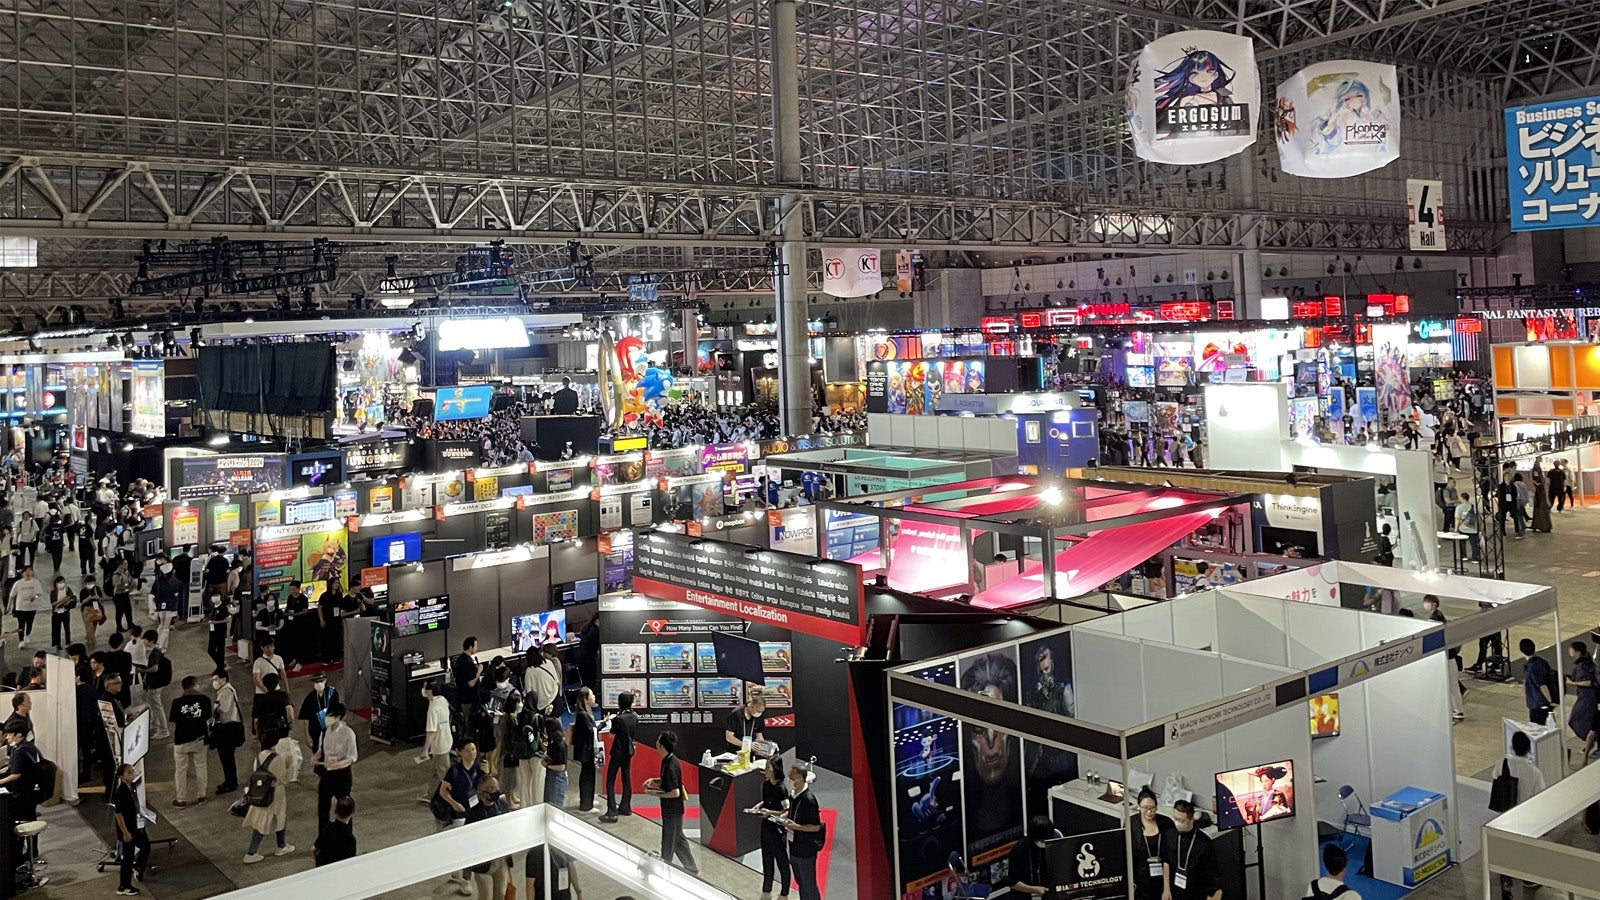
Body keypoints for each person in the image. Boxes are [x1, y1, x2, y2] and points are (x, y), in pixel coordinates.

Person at [1497, 731, 1546, 898]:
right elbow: (1540, 795)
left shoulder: (1502, 764)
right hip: (1526, 817)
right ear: (1528, 749)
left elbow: (1495, 778)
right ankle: (1528, 877)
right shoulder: (1534, 772)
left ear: (1512, 747)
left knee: (1505, 848)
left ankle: (1506, 884)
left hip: (1505, 815)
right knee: (1526, 847)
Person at [644, 730, 698, 875]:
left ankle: (664, 868)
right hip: (672, 809)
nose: (656, 742)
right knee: (678, 839)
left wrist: (656, 793)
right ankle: (692, 869)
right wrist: (654, 781)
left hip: (673, 810)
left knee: (668, 842)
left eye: (658, 740)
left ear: (661, 745)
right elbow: (667, 781)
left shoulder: (671, 765)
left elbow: (675, 792)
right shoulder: (668, 760)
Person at [435, 738, 484, 895]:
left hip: (475, 813)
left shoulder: (479, 768)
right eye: (468, 750)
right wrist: (454, 803)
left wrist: (488, 773)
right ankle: (466, 880)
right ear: (460, 752)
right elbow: (442, 791)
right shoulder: (454, 771)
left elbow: (486, 789)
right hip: (460, 814)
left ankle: (459, 872)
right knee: (467, 847)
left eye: (474, 749)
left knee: (468, 845)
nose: (472, 753)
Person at [241, 727, 294, 863]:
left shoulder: (259, 757)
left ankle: (253, 851)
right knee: (280, 818)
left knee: (260, 822)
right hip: (275, 794)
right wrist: (288, 766)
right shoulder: (277, 758)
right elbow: (284, 780)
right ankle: (279, 846)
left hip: (260, 793)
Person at [1162, 799, 1221, 900]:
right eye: (1175, 819)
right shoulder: (1170, 835)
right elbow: (1166, 861)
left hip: (1196, 892)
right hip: (1174, 890)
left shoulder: (1204, 843)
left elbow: (1213, 874)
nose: (1177, 823)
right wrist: (1166, 889)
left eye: (1181, 821)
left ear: (1191, 820)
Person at [784, 757, 825, 900]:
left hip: (806, 850)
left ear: (801, 778)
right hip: (794, 846)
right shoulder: (793, 795)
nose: (789, 780)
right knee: (800, 882)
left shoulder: (809, 800)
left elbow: (815, 827)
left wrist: (796, 827)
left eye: (792, 778)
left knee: (809, 885)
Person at [313, 701, 357, 837]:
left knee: (344, 808)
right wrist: (315, 757)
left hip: (342, 775)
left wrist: (336, 764)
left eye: (330, 716)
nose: (327, 718)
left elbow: (352, 757)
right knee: (323, 808)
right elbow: (322, 749)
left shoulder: (348, 733)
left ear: (338, 717)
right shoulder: (325, 731)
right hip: (327, 775)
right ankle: (323, 838)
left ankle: (346, 837)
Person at [169, 676, 213, 808]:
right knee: (201, 766)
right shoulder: (205, 700)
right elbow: (208, 717)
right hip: (199, 739)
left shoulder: (176, 702)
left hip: (181, 740)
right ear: (195, 685)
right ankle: (201, 796)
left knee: (180, 770)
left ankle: (180, 799)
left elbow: (174, 720)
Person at [466, 776, 512, 900]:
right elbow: (467, 841)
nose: (495, 791)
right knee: (485, 896)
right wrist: (467, 868)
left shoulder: (502, 805)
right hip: (482, 861)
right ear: (482, 792)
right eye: (491, 788)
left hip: (501, 858)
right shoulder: (473, 814)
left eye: (496, 788)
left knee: (500, 894)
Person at [753, 754, 791, 900]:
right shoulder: (766, 785)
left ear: (775, 769)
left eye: (768, 767)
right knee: (767, 859)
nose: (765, 770)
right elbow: (766, 801)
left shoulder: (782, 789)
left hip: (778, 829)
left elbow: (786, 810)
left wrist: (770, 813)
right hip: (766, 827)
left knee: (782, 862)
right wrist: (760, 805)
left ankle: (784, 893)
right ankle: (766, 890)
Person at [1423, 595, 1465, 722]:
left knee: (1450, 686)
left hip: (1446, 658)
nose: (1425, 605)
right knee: (1453, 686)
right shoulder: (1439, 615)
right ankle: (1457, 710)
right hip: (1450, 656)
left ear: (1434, 604)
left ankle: (1455, 711)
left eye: (1427, 602)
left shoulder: (1434, 620)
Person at [599, 690, 638, 822]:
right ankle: (625, 807)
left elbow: (611, 734)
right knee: (626, 778)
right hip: (628, 752)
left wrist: (607, 721)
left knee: (610, 780)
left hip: (617, 752)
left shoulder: (618, 719)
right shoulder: (635, 716)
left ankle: (612, 811)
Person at [112, 763, 150, 896]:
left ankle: (138, 867)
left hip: (136, 826)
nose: (132, 774)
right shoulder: (121, 792)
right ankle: (124, 886)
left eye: (132, 771)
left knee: (146, 846)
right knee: (127, 858)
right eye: (129, 772)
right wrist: (125, 833)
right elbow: (118, 815)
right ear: (121, 776)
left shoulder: (132, 786)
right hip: (128, 829)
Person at [1132, 787, 1175, 900]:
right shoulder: (1132, 824)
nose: (1149, 811)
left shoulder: (1166, 823)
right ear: (1139, 807)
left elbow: (1170, 856)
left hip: (1163, 877)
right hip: (1141, 880)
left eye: (1152, 807)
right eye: (1145, 808)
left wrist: (1167, 888)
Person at [1006, 815, 1060, 898]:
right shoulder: (1019, 850)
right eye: (1042, 840)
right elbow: (1013, 883)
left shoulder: (1054, 844)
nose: (1045, 843)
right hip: (1025, 894)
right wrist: (1035, 889)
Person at [417, 681, 454, 797]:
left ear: (430, 691)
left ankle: (450, 797)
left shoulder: (433, 708)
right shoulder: (442, 700)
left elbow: (431, 732)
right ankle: (431, 794)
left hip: (439, 745)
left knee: (444, 773)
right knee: (435, 771)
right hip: (447, 739)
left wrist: (425, 750)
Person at [212, 670, 244, 794]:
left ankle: (231, 783)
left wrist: (215, 707)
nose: (214, 682)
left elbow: (224, 708)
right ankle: (229, 780)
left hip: (228, 728)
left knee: (227, 757)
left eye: (216, 679)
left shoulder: (226, 691)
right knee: (226, 757)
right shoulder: (224, 691)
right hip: (228, 727)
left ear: (224, 679)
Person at [1569, 641, 1598, 765]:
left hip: (1586, 698)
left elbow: (1588, 681)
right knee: (1589, 723)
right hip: (1588, 697)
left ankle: (1590, 742)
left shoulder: (1582, 665)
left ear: (1576, 651)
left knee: (1578, 721)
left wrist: (1573, 683)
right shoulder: (1585, 663)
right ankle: (1589, 743)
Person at [571, 686, 599, 813]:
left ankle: (588, 800)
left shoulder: (586, 713)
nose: (594, 697)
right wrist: (603, 724)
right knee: (587, 776)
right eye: (591, 695)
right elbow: (590, 731)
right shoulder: (583, 715)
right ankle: (586, 804)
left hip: (588, 749)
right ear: (586, 699)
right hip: (586, 751)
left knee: (589, 775)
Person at [139, 630, 171, 739]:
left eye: (146, 639)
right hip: (155, 683)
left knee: (157, 707)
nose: (144, 641)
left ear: (152, 640)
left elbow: (155, 669)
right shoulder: (157, 651)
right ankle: (155, 726)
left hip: (155, 684)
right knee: (154, 706)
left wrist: (142, 670)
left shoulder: (154, 653)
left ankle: (164, 730)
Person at [299, 672, 339, 755]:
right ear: (313, 683)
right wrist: (307, 736)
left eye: (321, 681)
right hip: (315, 729)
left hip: (330, 727)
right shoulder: (309, 698)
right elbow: (306, 719)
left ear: (325, 681)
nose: (319, 684)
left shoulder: (332, 693)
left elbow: (337, 712)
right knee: (317, 752)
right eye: (316, 682)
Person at [1520, 639, 1557, 725]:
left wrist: (1549, 701)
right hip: (1541, 702)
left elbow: (1542, 685)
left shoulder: (1532, 666)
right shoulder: (1542, 662)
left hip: (1538, 703)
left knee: (1538, 726)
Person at [313, 796, 356, 867]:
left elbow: (314, 849)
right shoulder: (350, 838)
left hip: (323, 867)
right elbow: (350, 863)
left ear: (335, 810)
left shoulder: (327, 828)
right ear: (353, 812)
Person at [7, 564, 42, 647]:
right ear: (22, 573)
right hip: (20, 607)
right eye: (26, 571)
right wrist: (9, 605)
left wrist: (35, 597)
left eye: (29, 570)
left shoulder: (35, 582)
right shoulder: (18, 583)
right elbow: (12, 595)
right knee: (21, 624)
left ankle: (27, 635)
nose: (28, 573)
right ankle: (21, 640)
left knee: (29, 623)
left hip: (31, 607)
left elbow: (39, 593)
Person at [150, 563, 181, 651]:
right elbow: (177, 592)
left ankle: (156, 642)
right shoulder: (175, 581)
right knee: (166, 626)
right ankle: (162, 646)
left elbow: (153, 593)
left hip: (160, 605)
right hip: (171, 606)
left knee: (161, 624)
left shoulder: (158, 581)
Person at [452, 637, 482, 720]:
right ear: (470, 647)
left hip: (465, 699)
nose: (477, 648)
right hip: (469, 701)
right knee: (470, 722)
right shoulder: (467, 663)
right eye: (476, 646)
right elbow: (471, 683)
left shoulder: (461, 659)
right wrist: (479, 672)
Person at [541, 716, 568, 807]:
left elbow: (561, 767)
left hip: (557, 778)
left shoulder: (560, 745)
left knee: (555, 804)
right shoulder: (552, 742)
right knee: (548, 802)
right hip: (551, 775)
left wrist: (546, 765)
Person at [205, 590, 232, 675]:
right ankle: (220, 664)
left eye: (216, 595)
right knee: (211, 650)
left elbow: (227, 620)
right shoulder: (213, 607)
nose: (214, 598)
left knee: (220, 650)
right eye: (213, 596)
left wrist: (215, 622)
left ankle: (220, 667)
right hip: (213, 631)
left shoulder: (223, 607)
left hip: (220, 632)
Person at [47, 574, 74, 651]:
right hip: (56, 613)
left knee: (67, 628)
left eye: (63, 582)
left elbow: (71, 598)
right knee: (56, 629)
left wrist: (67, 601)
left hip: (65, 611)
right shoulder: (53, 592)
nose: (61, 584)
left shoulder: (68, 590)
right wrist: (63, 601)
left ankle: (68, 642)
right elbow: (53, 603)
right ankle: (57, 644)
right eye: (59, 583)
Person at [79, 575, 106, 649]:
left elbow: (101, 598)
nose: (91, 584)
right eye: (89, 583)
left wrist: (98, 598)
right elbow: (82, 602)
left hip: (95, 607)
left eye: (93, 582)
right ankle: (91, 640)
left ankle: (90, 637)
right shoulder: (83, 591)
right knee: (88, 625)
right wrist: (89, 598)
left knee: (94, 625)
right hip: (86, 608)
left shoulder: (97, 589)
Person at [110, 558, 136, 632]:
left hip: (125, 593)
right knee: (120, 611)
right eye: (125, 564)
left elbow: (130, 580)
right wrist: (128, 586)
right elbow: (117, 586)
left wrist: (132, 584)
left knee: (128, 610)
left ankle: (130, 624)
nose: (127, 565)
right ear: (120, 565)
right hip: (118, 595)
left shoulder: (126, 572)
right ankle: (119, 626)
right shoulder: (116, 574)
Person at [1454, 490, 1481, 562]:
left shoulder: (1459, 507)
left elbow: (1457, 518)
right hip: (1473, 528)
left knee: (1462, 543)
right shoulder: (1473, 506)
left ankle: (1464, 556)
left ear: (1462, 498)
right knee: (1474, 544)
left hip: (1463, 528)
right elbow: (1478, 517)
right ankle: (1475, 557)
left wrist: (1456, 528)